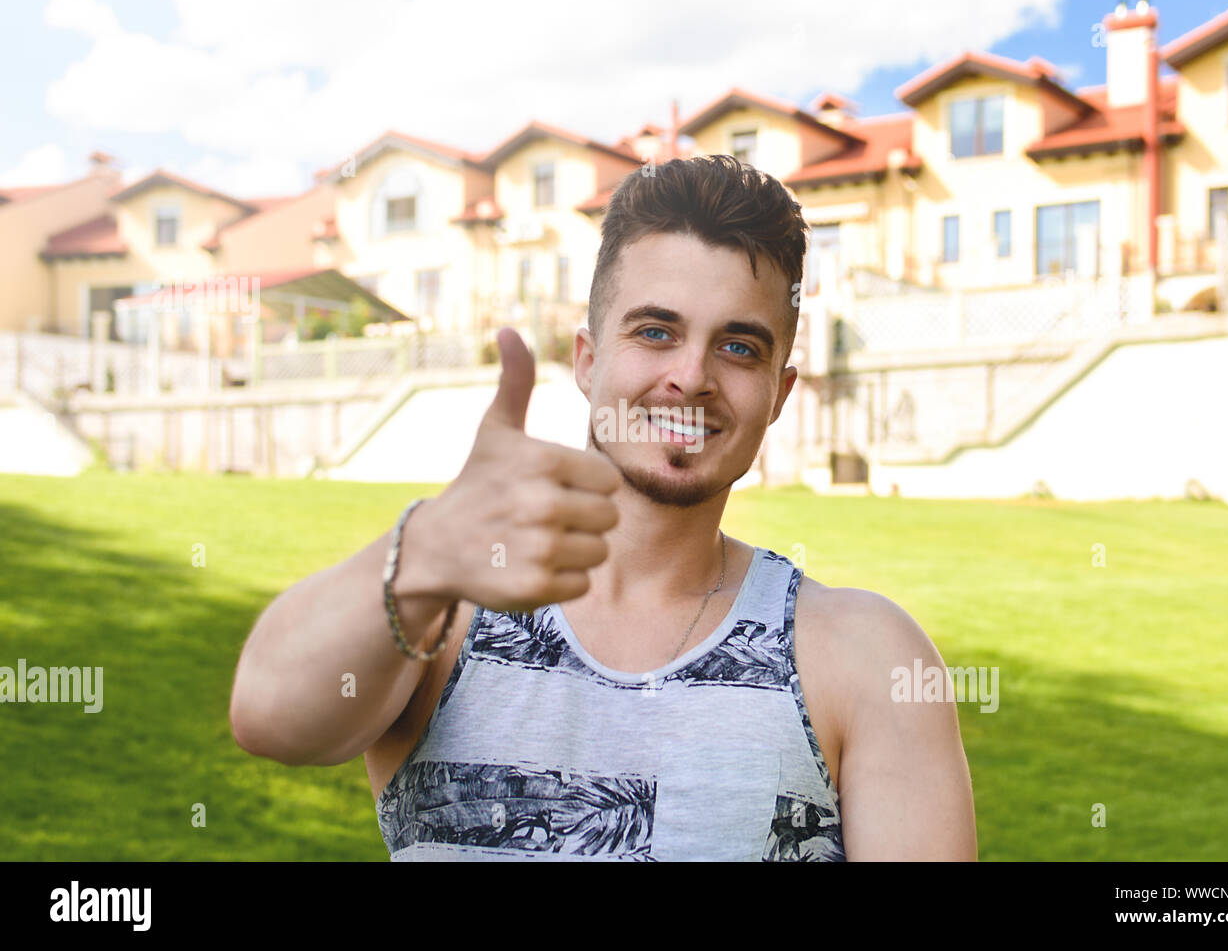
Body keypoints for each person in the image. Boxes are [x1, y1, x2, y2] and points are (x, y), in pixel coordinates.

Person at [229, 154, 977, 861]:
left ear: (779, 395)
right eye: (656, 331)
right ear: (587, 361)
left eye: (740, 348)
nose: (691, 376)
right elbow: (267, 715)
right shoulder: (443, 612)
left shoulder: (867, 656)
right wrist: (424, 549)